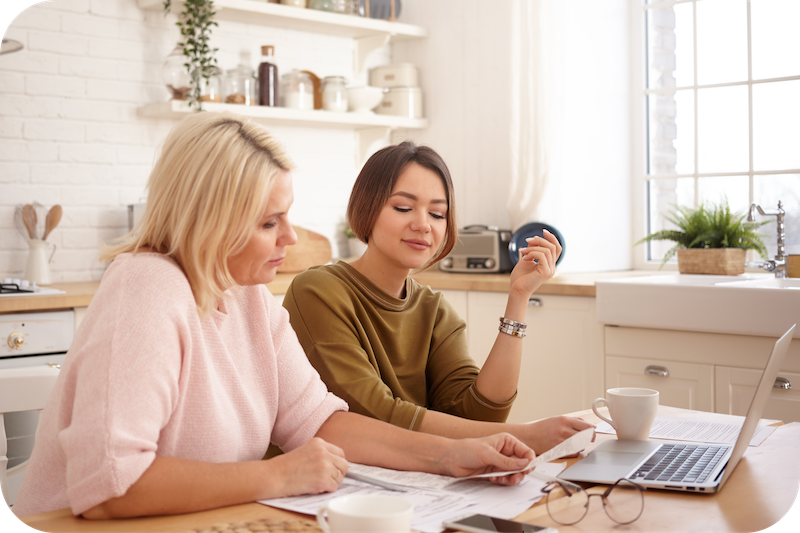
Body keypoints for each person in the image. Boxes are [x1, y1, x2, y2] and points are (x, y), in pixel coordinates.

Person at [11, 114, 536, 520]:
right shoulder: (147, 287)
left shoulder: (249, 299)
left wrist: (452, 456)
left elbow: (322, 423)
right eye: (269, 221)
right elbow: (109, 488)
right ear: (211, 222)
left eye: (287, 216)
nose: (290, 238)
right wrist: (278, 476)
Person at [282, 141, 593, 456]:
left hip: (411, 475)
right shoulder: (317, 291)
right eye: (403, 207)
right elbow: (374, 413)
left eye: (437, 213)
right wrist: (524, 436)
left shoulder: (434, 310)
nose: (423, 224)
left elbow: (478, 415)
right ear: (368, 208)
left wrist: (519, 296)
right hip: (315, 481)